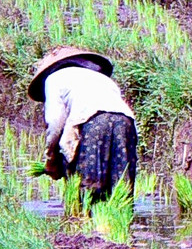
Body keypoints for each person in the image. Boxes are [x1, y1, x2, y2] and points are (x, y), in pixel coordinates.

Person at [28, 46, 138, 205]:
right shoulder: (102, 78)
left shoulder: (54, 78)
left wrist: (50, 159)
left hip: (92, 123)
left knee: (88, 187)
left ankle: (84, 224)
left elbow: (55, 123)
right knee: (121, 184)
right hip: (126, 122)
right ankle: (118, 223)